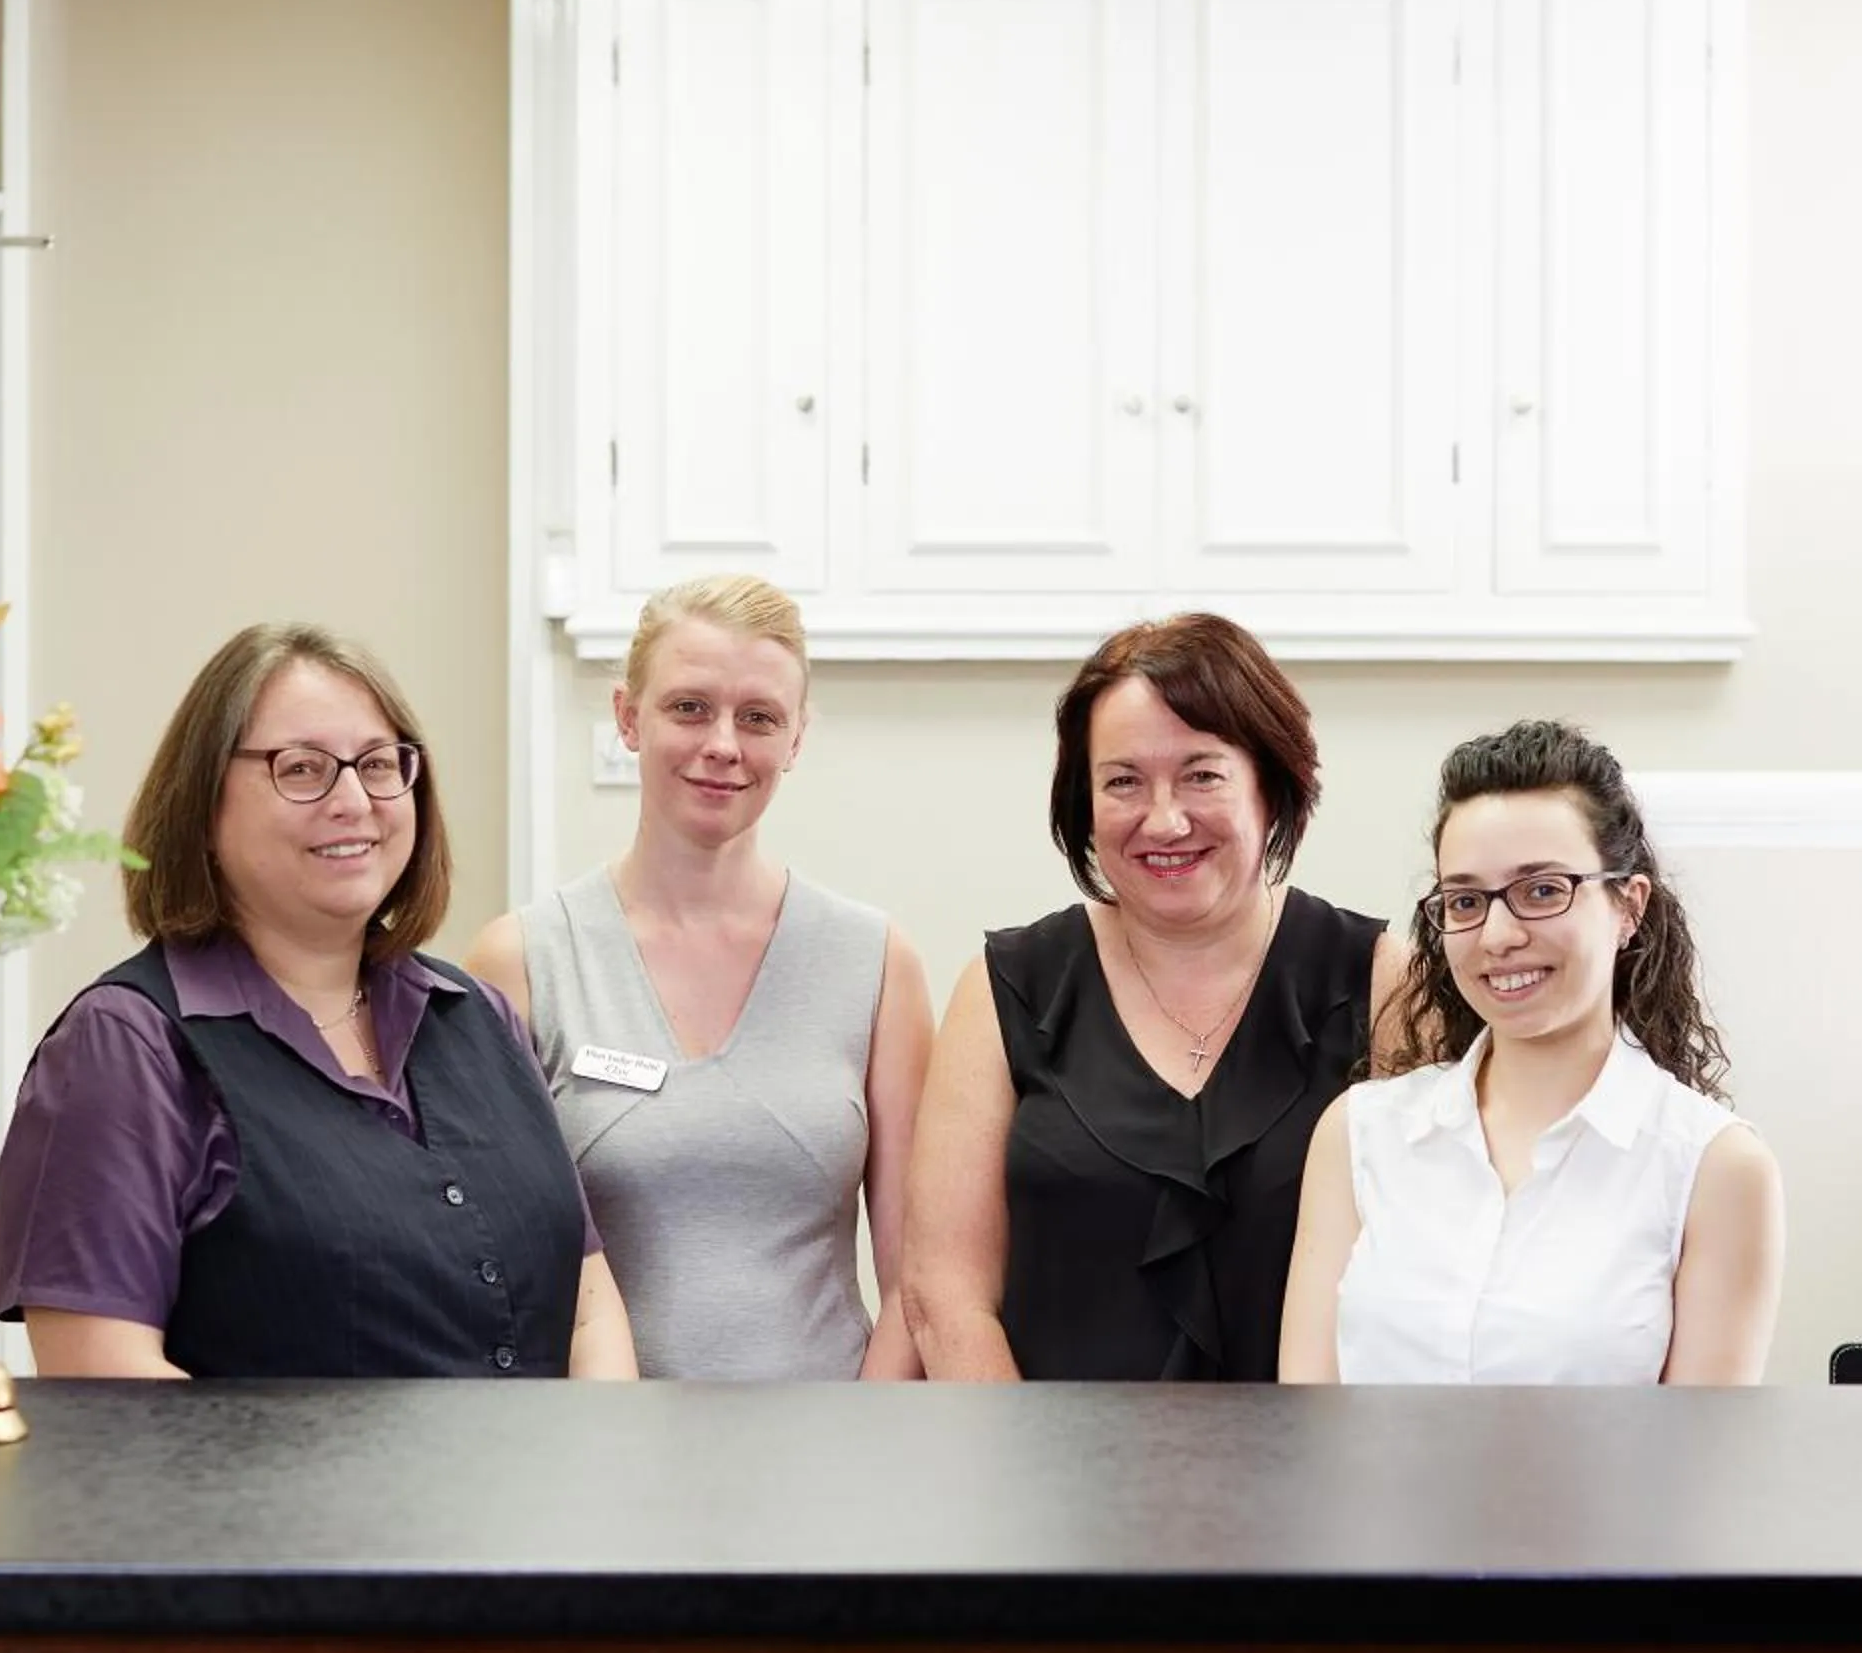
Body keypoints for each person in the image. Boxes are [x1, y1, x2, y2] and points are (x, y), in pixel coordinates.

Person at [0, 623, 637, 1380]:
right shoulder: (123, 1046)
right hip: (258, 1503)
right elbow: (102, 1378)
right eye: (302, 769)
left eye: (377, 764)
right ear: (202, 807)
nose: (353, 800)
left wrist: (593, 1481)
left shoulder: (478, 1014)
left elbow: (589, 1305)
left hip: (540, 1497)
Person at [902, 612, 1404, 1381]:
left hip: (1316, 1480)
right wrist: (1016, 1485)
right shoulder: (1006, 988)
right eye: (1123, 782)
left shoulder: (1379, 979)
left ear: (1271, 784)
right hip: (1048, 1481)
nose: (1164, 820)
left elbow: (1430, 1278)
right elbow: (946, 1295)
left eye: (1202, 774)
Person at [467, 575, 933, 1379]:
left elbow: (915, 1283)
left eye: (759, 718)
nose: (723, 743)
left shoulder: (877, 962)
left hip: (827, 1465)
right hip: (599, 1462)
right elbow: (488, 1266)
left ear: (796, 739)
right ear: (626, 718)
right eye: (689, 707)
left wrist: (868, 1447)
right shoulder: (522, 962)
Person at [1280, 719, 1783, 1385]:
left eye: (1542, 891)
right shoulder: (1360, 1133)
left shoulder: (1715, 1167)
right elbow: (1309, 1428)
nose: (1498, 934)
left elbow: (1700, 1468)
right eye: (1465, 900)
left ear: (1628, 907)